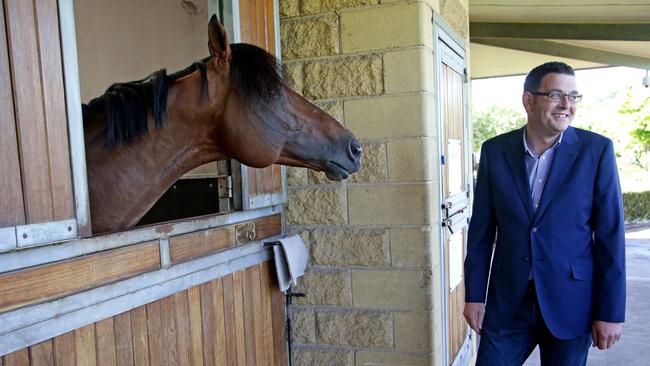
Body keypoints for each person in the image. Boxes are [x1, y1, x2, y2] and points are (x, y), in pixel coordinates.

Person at [463, 61, 626, 365]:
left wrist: (611, 312)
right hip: (509, 302)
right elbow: (481, 230)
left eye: (574, 97)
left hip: (572, 304)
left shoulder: (597, 151)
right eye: (556, 95)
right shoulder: (495, 151)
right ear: (528, 100)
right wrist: (474, 295)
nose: (567, 105)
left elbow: (610, 236)